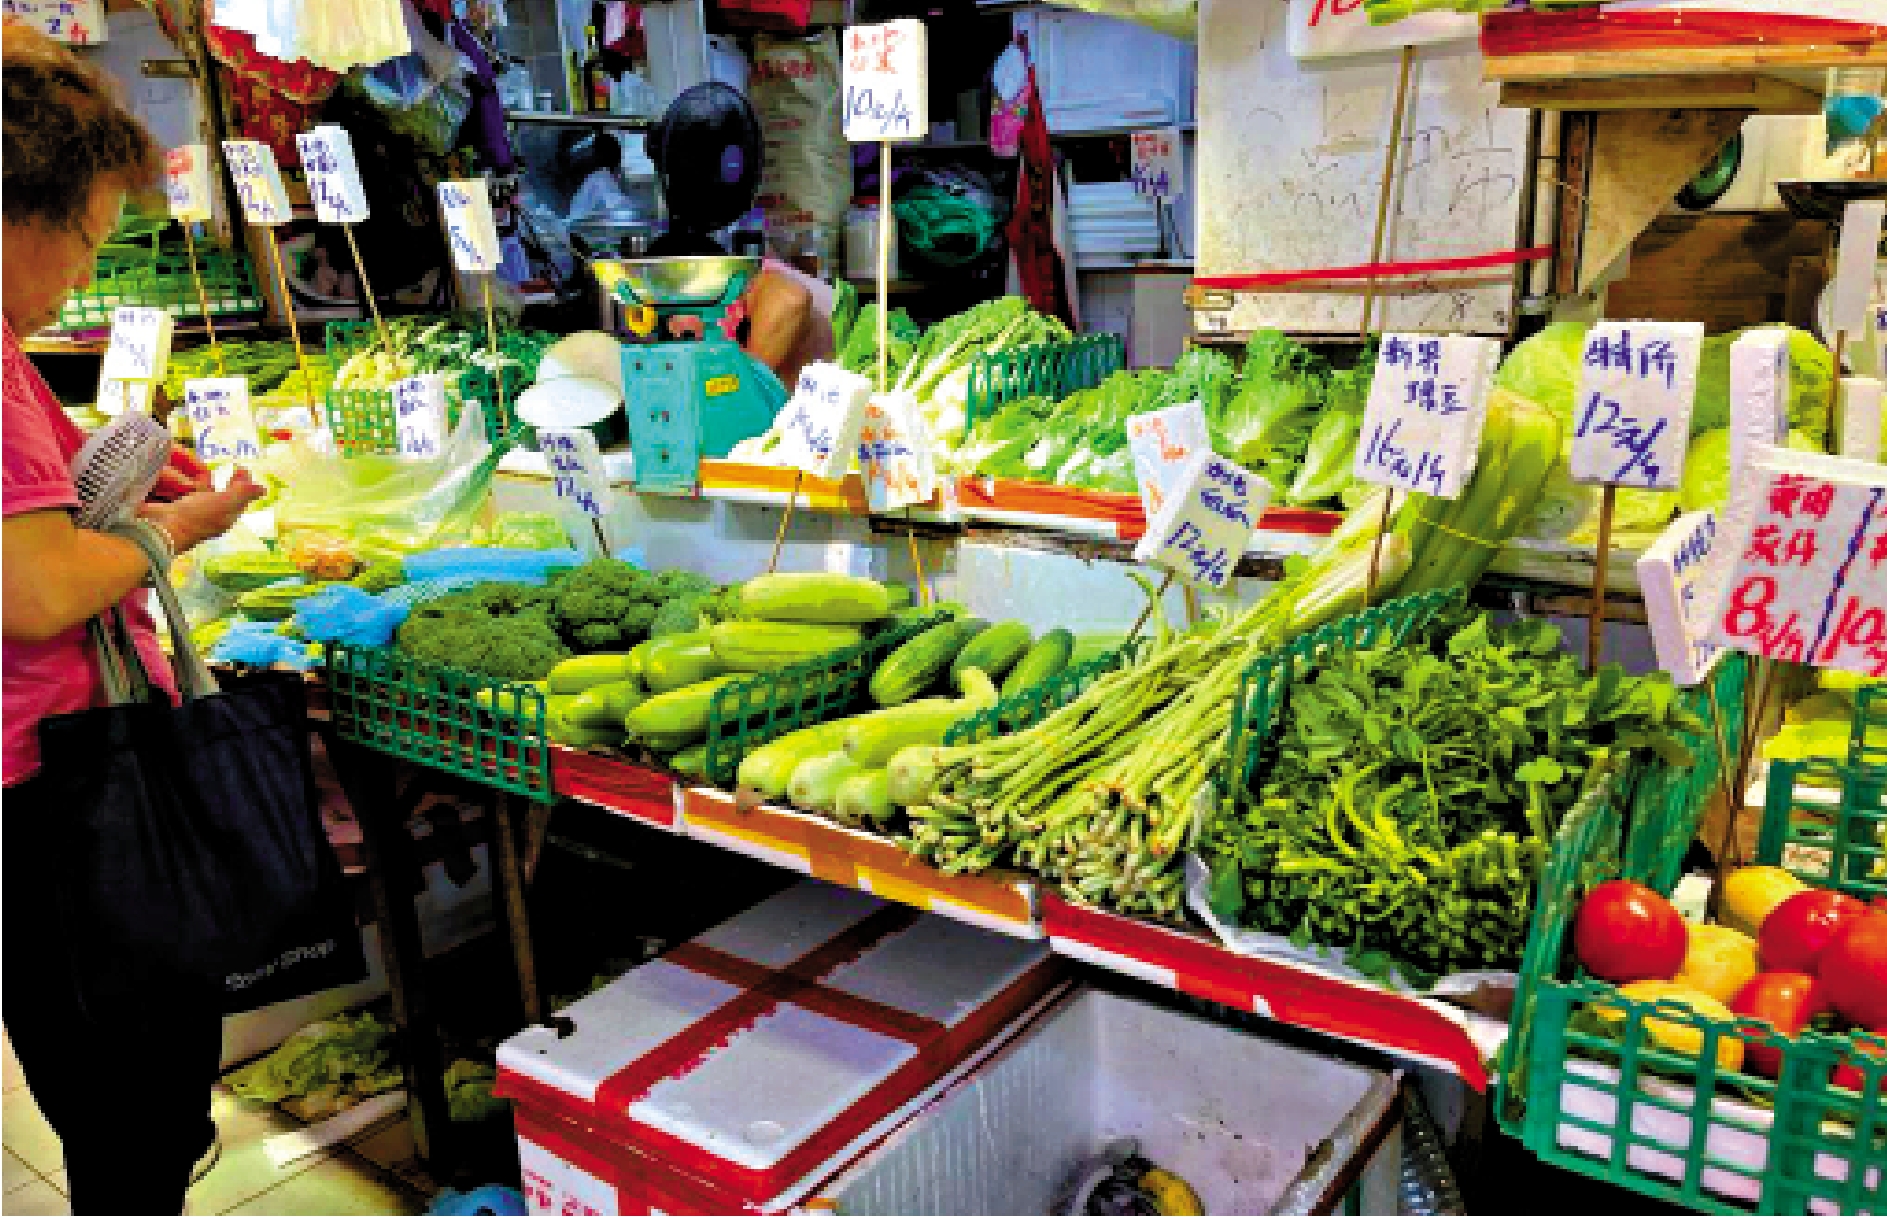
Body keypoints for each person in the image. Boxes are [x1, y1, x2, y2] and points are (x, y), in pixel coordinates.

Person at [2, 24, 264, 1216]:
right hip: (58, 792)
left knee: (112, 1095)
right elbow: (41, 587)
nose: (82, 277)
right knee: (134, 1110)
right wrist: (184, 526)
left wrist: (128, 469)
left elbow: (41, 489)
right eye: (87, 242)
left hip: (40, 791)